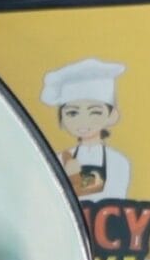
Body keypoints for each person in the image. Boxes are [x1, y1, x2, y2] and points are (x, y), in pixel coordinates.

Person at [40, 58, 131, 202]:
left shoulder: (118, 161)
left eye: (95, 112)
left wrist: (74, 180)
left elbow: (114, 197)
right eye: (72, 113)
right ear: (62, 118)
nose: (83, 121)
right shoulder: (59, 159)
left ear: (112, 116)